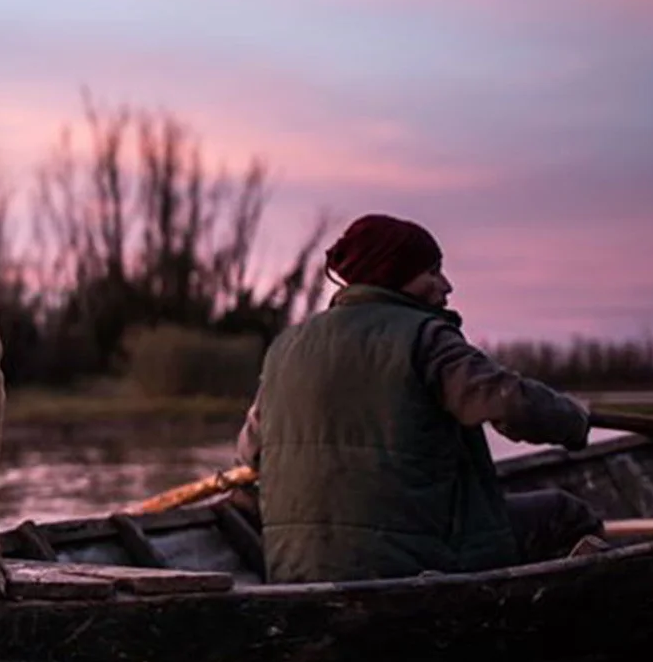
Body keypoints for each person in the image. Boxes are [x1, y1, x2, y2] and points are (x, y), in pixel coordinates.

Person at [236, 213, 603, 583]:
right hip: (416, 561)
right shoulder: (426, 337)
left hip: (295, 568)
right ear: (393, 274)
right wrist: (573, 418)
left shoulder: (284, 347)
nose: (446, 285)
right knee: (564, 513)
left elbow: (249, 458)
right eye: (432, 272)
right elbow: (512, 402)